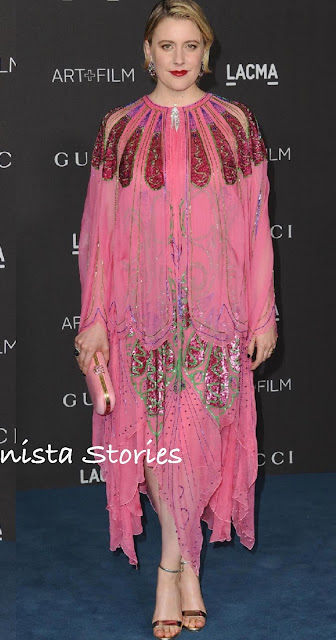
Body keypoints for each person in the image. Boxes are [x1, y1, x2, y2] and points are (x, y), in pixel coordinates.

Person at [74, 1, 276, 637]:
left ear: (207, 52)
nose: (180, 58)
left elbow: (256, 225)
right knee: (158, 443)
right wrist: (93, 318)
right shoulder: (118, 128)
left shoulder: (237, 124)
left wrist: (262, 314)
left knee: (196, 440)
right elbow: (99, 233)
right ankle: (182, 570)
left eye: (191, 45)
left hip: (217, 313)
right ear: (147, 52)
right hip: (140, 315)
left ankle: (173, 567)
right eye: (167, 46)